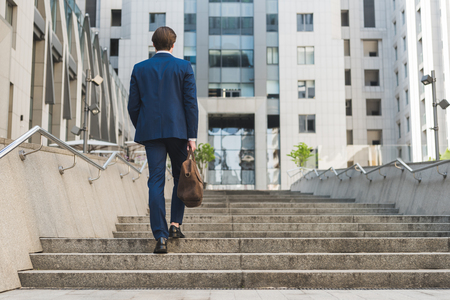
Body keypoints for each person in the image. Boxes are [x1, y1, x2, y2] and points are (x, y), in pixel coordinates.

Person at [128, 26, 198, 254]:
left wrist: (145, 126)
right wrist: (192, 136)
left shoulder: (140, 69)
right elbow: (190, 104)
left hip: (152, 134)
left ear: (153, 44)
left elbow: (133, 106)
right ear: (173, 44)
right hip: (178, 132)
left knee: (155, 181)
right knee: (181, 177)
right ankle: (175, 225)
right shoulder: (184, 67)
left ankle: (160, 235)